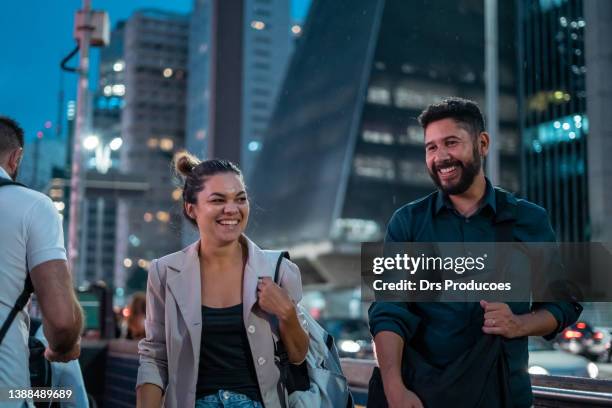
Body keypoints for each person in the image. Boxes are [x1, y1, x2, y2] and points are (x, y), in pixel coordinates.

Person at [368, 98, 582, 408]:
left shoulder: (528, 220)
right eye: (431, 148)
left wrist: (518, 324)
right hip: (421, 398)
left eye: (450, 143)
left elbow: (564, 302)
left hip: (502, 397)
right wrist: (394, 389)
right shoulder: (409, 222)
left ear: (482, 143)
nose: (441, 157)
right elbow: (389, 311)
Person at [136, 153, 309, 408]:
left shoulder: (280, 270)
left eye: (240, 199)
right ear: (191, 209)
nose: (232, 209)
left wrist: (287, 313)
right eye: (218, 200)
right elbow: (154, 356)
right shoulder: (165, 272)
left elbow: (298, 356)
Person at [0, 116, 83, 405]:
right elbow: (62, 322)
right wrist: (61, 348)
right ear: (15, 157)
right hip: (6, 393)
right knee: (68, 393)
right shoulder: (33, 206)